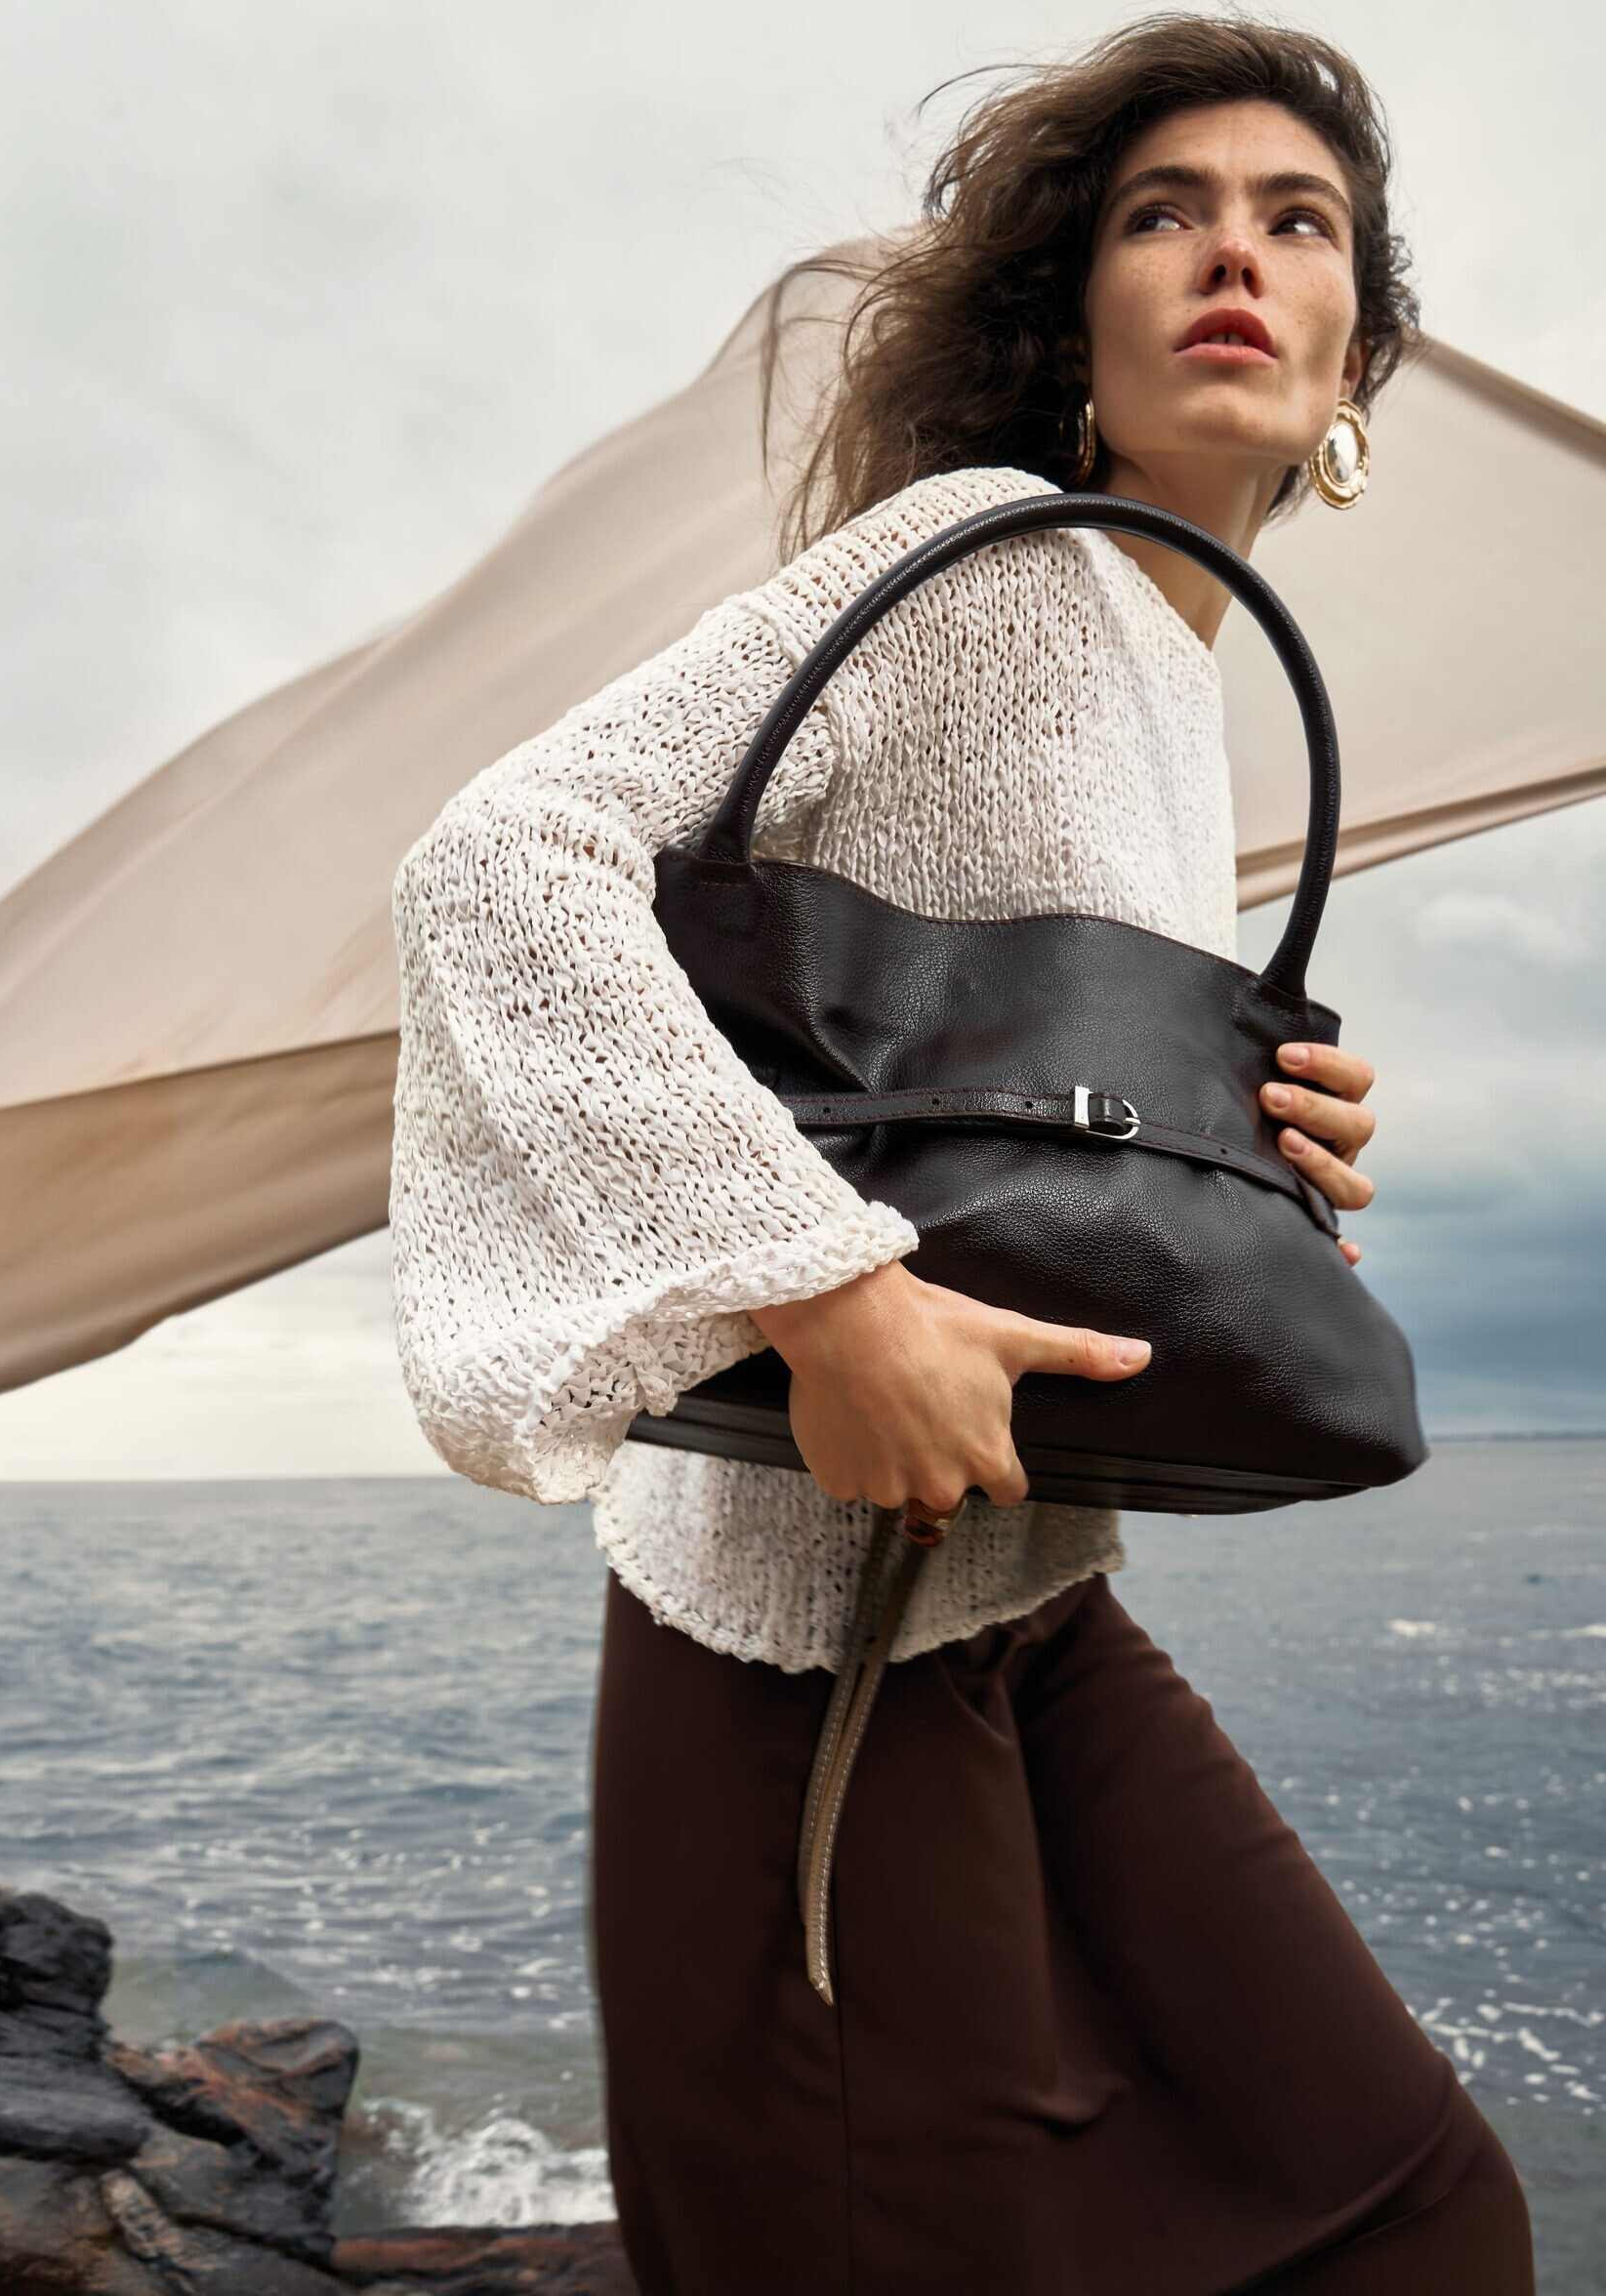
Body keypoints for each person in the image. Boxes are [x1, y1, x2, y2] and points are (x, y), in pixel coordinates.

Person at [389, 14, 1538, 2292]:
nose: (1233, 253)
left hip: (1031, 1591)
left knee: (1410, 2204)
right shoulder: (983, 566)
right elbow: (502, 867)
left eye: (1296, 222)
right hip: (799, 1639)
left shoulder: (1187, 682)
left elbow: (996, 1111)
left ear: (1357, 360)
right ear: (1073, 320)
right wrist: (824, 1290)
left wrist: (1242, 1141)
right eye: (1164, 214)